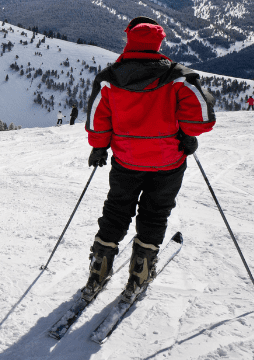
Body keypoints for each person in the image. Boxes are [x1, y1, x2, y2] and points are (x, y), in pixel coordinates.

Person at [82, 16, 216, 303]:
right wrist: (187, 134)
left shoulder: (109, 77)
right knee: (155, 212)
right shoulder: (178, 76)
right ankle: (140, 270)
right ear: (159, 42)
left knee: (117, 209)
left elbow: (97, 120)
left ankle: (99, 266)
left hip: (126, 160)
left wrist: (99, 147)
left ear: (128, 39)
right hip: (168, 161)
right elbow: (202, 120)